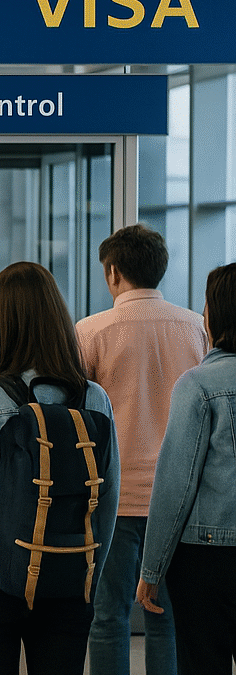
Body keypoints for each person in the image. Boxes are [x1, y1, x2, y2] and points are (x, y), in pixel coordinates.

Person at [0, 261, 120, 675]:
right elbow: (106, 503)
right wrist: (88, 571)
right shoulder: (94, 398)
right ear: (58, 318)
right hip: (70, 578)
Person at [76, 224, 207, 675]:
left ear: (113, 272)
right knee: (165, 616)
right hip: (179, 500)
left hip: (114, 498)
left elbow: (78, 415)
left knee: (107, 616)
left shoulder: (91, 332)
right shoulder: (196, 329)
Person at [137, 262, 236, 675]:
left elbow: (175, 487)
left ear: (215, 313)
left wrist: (151, 569)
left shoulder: (199, 385)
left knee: (202, 663)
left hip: (207, 560)